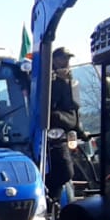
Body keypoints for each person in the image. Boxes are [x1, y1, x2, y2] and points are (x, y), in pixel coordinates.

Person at [45, 47, 80, 196]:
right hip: (53, 135)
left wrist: (80, 131)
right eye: (63, 58)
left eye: (68, 59)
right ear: (54, 60)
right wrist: (58, 80)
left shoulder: (72, 81)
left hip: (67, 130)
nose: (66, 62)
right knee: (63, 172)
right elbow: (50, 104)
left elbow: (75, 107)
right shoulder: (49, 80)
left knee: (68, 172)